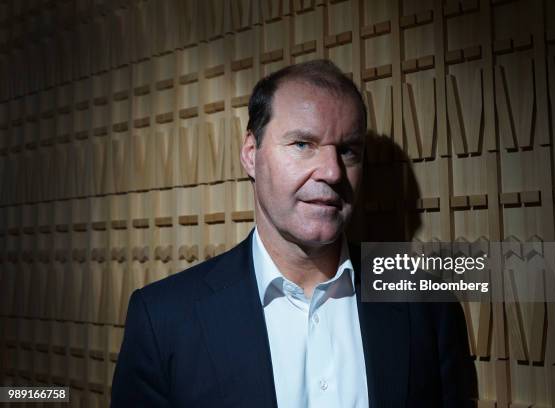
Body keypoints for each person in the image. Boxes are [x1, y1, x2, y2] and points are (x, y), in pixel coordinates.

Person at [111, 59, 477, 407]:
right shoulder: (163, 319)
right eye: (303, 144)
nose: (332, 172)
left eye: (348, 151)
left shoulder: (428, 304)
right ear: (251, 153)